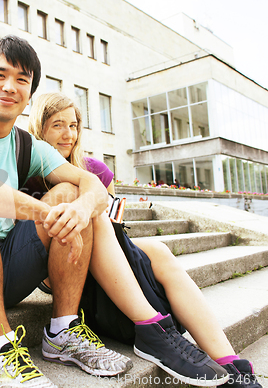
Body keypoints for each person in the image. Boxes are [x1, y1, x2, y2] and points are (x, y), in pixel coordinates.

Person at [0, 35, 133, 388]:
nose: (10, 87)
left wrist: (79, 209)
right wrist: (38, 211)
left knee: (67, 192)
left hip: (5, 271)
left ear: (29, 95)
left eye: (22, 79)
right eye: (0, 75)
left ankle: (62, 332)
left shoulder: (25, 143)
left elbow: (90, 183)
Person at [26, 91, 263, 388]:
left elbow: (114, 227)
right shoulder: (29, 175)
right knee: (92, 210)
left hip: (105, 261)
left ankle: (234, 367)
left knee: (159, 250)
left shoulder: (95, 171)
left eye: (73, 126)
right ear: (39, 128)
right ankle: (152, 330)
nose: (68, 134)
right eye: (58, 125)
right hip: (67, 271)